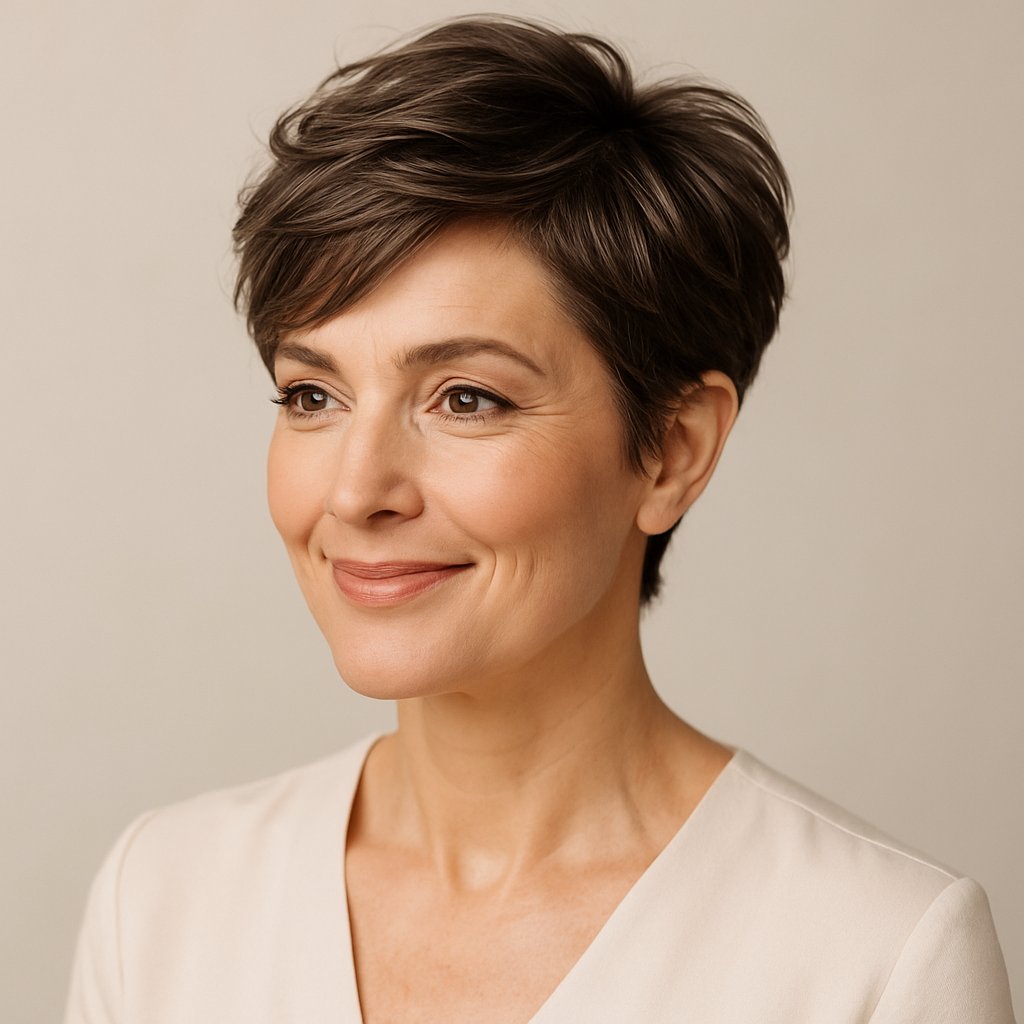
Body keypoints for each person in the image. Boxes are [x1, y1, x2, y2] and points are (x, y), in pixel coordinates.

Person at [64, 15, 1015, 1023]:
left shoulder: (876, 956)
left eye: (466, 398)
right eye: (312, 395)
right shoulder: (162, 901)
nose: (354, 491)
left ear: (672, 449)